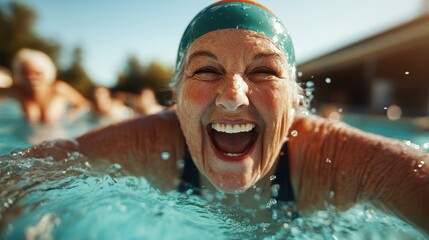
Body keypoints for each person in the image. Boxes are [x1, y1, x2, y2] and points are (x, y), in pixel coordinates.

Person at [16, 1, 429, 236]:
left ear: (295, 99)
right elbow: (22, 174)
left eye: (264, 71)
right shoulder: (154, 141)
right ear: (176, 98)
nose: (233, 96)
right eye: (207, 71)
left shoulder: (331, 160)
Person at [0, 48, 90, 123]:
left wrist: (70, 118)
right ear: (20, 74)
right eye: (26, 73)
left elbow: (84, 104)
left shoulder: (59, 88)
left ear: (46, 72)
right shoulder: (19, 90)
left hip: (56, 136)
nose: (31, 77)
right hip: (27, 136)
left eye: (37, 73)